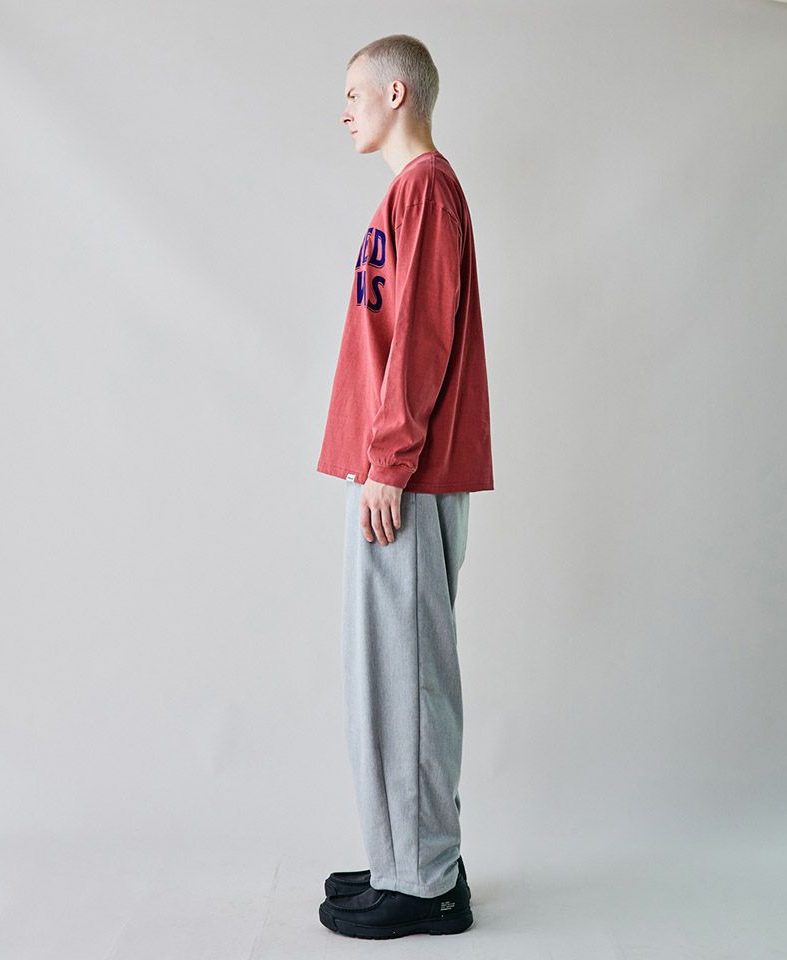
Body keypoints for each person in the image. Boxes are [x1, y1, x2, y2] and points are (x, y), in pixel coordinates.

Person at [315, 33, 494, 940]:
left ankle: (425, 883)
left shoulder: (425, 189)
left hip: (407, 475)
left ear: (397, 93)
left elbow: (422, 335)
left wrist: (388, 462)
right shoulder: (410, 193)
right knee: (389, 675)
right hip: (394, 470)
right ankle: (404, 856)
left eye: (354, 93)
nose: (344, 110)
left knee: (408, 677)